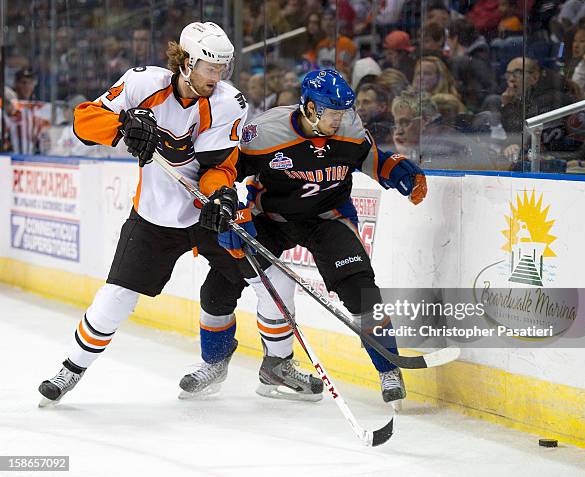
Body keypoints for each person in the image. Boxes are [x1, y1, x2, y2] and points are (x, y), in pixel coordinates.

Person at [180, 69, 427, 405]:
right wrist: (232, 207)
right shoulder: (265, 133)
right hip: (268, 219)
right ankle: (215, 363)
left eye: (343, 112)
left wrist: (396, 169)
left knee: (361, 291)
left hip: (327, 218)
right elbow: (223, 172)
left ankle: (388, 370)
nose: (340, 120)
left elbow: (373, 161)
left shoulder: (350, 128)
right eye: (332, 113)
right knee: (220, 285)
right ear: (310, 108)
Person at [38, 21, 251, 406]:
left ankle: (257, 363)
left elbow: (219, 166)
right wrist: (123, 125)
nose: (217, 76)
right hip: (155, 216)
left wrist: (220, 195)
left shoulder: (227, 103)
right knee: (117, 297)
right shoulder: (142, 85)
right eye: (210, 67)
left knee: (257, 277)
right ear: (186, 62)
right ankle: (72, 367)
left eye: (223, 68)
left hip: (205, 214)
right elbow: (83, 121)